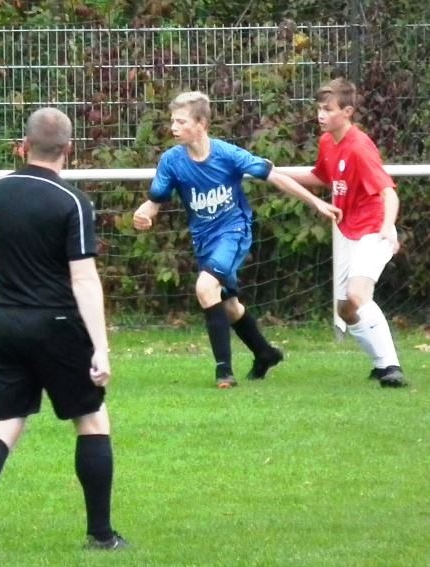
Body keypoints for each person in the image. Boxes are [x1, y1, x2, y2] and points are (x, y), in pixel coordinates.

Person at [0, 107, 128, 552]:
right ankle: (101, 536)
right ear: (69, 150)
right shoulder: (72, 202)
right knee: (92, 420)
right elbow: (83, 279)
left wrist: (6, 298)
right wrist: (100, 347)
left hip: (4, 322)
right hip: (58, 324)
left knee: (5, 424)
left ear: (23, 146)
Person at [133, 91, 342, 389]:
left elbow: (275, 176)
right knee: (229, 307)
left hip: (234, 232)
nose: (173, 128)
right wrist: (143, 214)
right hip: (204, 240)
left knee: (205, 287)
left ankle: (224, 373)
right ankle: (265, 353)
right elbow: (154, 202)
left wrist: (316, 202)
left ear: (201, 123)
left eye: (181, 122)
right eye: (172, 121)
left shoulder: (227, 154)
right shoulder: (171, 161)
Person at [280, 78, 406, 387]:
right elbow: (320, 177)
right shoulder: (327, 142)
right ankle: (382, 365)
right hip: (349, 232)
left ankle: (392, 368)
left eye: (328, 109)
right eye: (319, 109)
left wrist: (388, 227)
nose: (320, 115)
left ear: (347, 112)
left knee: (357, 296)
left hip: (373, 230)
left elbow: (389, 192)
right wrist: (272, 171)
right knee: (346, 310)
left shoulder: (359, 147)